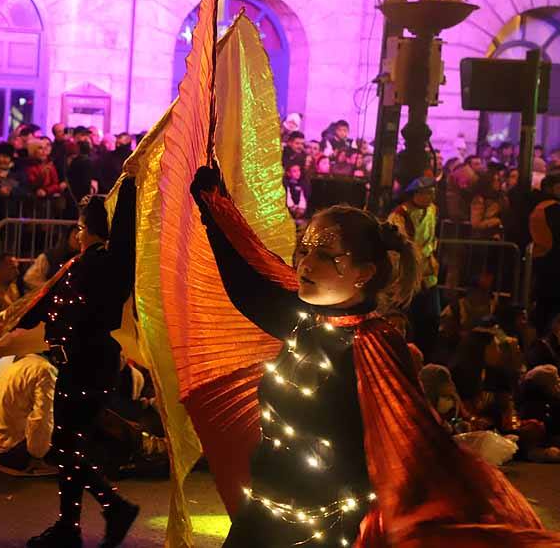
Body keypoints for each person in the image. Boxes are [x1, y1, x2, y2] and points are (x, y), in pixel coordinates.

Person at [190, 163, 557, 546]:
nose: (305, 264)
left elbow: (409, 447)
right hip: (262, 520)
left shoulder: (377, 347)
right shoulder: (304, 320)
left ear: (364, 272)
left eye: (325, 256)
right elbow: (247, 288)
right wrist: (214, 210)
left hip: (328, 533)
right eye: (305, 250)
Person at [18, 183, 139, 548]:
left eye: (80, 225)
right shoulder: (79, 264)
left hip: (90, 364)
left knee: (65, 446)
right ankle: (70, 525)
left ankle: (111, 507)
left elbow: (126, 231)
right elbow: (40, 310)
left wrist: (130, 183)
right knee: (69, 445)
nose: (77, 232)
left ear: (87, 229)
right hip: (76, 364)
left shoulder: (110, 261)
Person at [388, 176, 440, 359]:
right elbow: (401, 245)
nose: (430, 197)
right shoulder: (400, 215)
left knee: (431, 318)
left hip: (429, 274)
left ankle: (426, 355)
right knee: (409, 319)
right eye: (426, 193)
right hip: (409, 274)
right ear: (415, 194)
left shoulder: (433, 210)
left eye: (432, 193)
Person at [0, 353, 58, 471]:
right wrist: (37, 455)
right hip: (18, 450)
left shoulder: (2, 362)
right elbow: (43, 417)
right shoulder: (44, 369)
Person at [530, 173, 560, 335]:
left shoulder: (541, 206)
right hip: (552, 261)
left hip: (544, 259)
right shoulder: (552, 208)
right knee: (549, 307)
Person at [23, 225, 79, 293]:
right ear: (67, 237)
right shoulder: (50, 257)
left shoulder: (84, 259)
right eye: (76, 234)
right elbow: (30, 279)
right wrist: (50, 289)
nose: (78, 237)